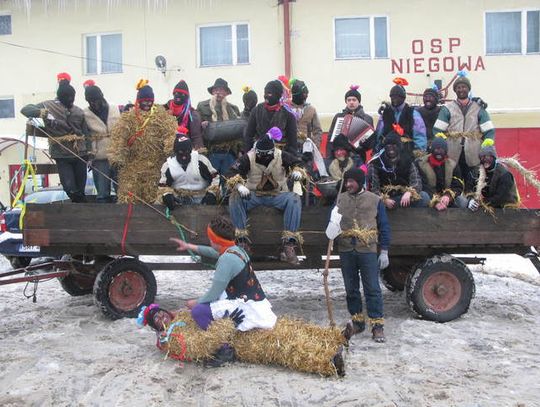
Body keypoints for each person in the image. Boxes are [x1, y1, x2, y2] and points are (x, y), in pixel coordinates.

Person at [325, 168, 391, 343]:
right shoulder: (340, 199)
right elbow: (332, 223)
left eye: (351, 181)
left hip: (367, 250)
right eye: (346, 182)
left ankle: (377, 326)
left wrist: (384, 250)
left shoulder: (375, 200)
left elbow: (383, 226)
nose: (348, 185)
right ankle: (357, 322)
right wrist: (332, 226)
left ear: (360, 182)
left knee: (372, 289)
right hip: (346, 250)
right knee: (351, 289)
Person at [228, 128, 304, 264]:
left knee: (294, 199)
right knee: (234, 197)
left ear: (272, 151)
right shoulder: (248, 157)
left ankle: (289, 244)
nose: (262, 157)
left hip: (278, 195)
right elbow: (231, 172)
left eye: (266, 154)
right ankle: (242, 242)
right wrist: (239, 186)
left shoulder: (282, 155)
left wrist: (298, 171)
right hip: (253, 195)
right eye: (260, 154)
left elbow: (299, 163)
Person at [21, 73, 91, 203]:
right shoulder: (49, 106)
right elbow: (25, 109)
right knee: (69, 188)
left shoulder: (78, 111)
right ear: (61, 97)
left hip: (80, 154)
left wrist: (89, 153)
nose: (71, 100)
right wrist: (40, 113)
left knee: (80, 189)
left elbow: (86, 133)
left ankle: (80, 210)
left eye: (73, 98)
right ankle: (79, 206)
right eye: (68, 98)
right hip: (62, 154)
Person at [108, 79, 177, 203]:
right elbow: (120, 137)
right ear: (138, 101)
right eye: (144, 101)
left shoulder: (161, 116)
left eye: (149, 101)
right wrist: (118, 155)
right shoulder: (129, 117)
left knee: (154, 196)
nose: (147, 103)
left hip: (155, 166)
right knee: (129, 196)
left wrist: (170, 146)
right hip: (132, 166)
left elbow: (170, 133)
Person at [433, 72, 495, 183]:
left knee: (473, 182)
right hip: (452, 153)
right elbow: (437, 129)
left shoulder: (479, 108)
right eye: (458, 87)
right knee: (454, 182)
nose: (461, 89)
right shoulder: (447, 108)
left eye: (464, 87)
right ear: (455, 90)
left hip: (474, 154)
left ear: (468, 89)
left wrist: (488, 141)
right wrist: (440, 137)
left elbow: (489, 130)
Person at [157, 127, 219, 209]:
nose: (183, 157)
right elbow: (163, 185)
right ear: (175, 152)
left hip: (201, 199)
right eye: (180, 153)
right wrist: (167, 194)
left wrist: (212, 193)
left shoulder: (201, 160)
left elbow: (215, 177)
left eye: (186, 153)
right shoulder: (168, 165)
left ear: (190, 151)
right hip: (178, 201)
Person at [367, 131, 430, 209]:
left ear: (399, 146)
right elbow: (373, 188)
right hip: (385, 201)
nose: (391, 148)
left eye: (394, 145)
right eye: (388, 145)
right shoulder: (375, 163)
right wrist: (383, 199)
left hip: (403, 198)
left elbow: (416, 181)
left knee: (424, 197)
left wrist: (409, 192)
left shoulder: (408, 160)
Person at [83, 80, 120, 203]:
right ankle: (104, 217)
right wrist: (91, 155)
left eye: (96, 100)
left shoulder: (114, 109)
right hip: (100, 157)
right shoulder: (85, 114)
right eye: (90, 101)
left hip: (117, 155)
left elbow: (122, 130)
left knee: (122, 189)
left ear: (101, 97)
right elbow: (88, 136)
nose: (94, 103)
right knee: (102, 192)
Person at [197, 78, 241, 175]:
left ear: (226, 93)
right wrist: (202, 125)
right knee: (210, 183)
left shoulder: (233, 109)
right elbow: (196, 130)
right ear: (212, 91)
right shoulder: (202, 106)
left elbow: (238, 132)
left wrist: (239, 151)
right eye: (216, 89)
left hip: (229, 153)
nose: (218, 92)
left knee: (229, 182)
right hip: (211, 152)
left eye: (221, 90)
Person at [375, 78, 427, 160]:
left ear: (403, 98)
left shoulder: (413, 114)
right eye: (392, 96)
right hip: (387, 155)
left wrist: (418, 154)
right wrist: (377, 150)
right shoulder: (385, 113)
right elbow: (379, 134)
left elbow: (420, 136)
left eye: (397, 96)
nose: (394, 99)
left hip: (407, 154)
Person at [243, 79, 298, 155]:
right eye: (265, 92)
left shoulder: (288, 114)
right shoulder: (256, 111)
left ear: (277, 94)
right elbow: (248, 135)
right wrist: (248, 155)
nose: (265, 95)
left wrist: (290, 160)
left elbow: (292, 143)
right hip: (259, 155)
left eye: (269, 93)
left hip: (280, 156)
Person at [464, 139, 519, 211]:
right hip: (482, 208)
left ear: (494, 158)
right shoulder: (475, 172)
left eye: (488, 157)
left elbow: (501, 197)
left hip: (503, 209)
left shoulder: (504, 174)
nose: (485, 160)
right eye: (482, 157)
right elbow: (469, 188)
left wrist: (482, 203)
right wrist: (471, 200)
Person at [416, 133, 467, 211]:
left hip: (446, 199)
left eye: (441, 150)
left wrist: (448, 195)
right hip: (430, 197)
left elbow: (458, 185)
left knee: (462, 201)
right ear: (432, 150)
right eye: (436, 149)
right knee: (423, 196)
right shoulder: (421, 163)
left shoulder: (453, 165)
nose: (439, 152)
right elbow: (423, 185)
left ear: (446, 151)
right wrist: (436, 201)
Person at [326, 85, 375, 164]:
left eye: (354, 100)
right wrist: (329, 156)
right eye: (349, 100)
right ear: (346, 102)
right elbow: (330, 138)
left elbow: (372, 142)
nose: (351, 102)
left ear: (359, 101)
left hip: (358, 156)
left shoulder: (367, 119)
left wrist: (362, 145)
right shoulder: (339, 117)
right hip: (339, 155)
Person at [164, 80, 204, 150]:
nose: (178, 96)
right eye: (176, 93)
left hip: (185, 148)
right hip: (165, 146)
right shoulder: (164, 109)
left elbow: (196, 136)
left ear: (186, 97)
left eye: (182, 94)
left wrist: (199, 151)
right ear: (173, 94)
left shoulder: (192, 114)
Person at [290, 79, 323, 149]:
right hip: (290, 149)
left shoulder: (311, 109)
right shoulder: (286, 109)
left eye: (306, 93)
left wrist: (315, 146)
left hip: (307, 149)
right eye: (304, 94)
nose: (306, 96)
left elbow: (318, 130)